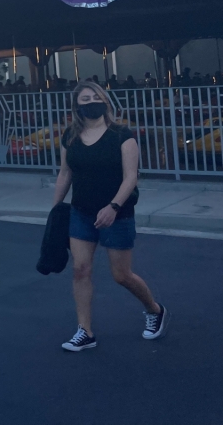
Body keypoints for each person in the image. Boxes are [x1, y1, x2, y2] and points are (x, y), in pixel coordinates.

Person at [51, 81, 166, 351]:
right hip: (81, 212)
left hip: (117, 214)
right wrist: (55, 209)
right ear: (77, 106)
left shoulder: (121, 135)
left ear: (104, 100)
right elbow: (65, 174)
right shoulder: (70, 136)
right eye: (84, 99)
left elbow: (131, 177)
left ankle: (154, 309)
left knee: (121, 275)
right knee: (80, 270)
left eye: (95, 96)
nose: (91, 102)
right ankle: (85, 331)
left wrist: (113, 207)